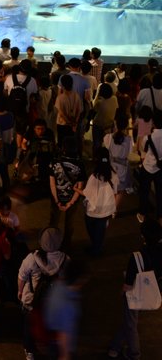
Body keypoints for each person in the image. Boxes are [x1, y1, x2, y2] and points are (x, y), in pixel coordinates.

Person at [108, 219, 162, 360]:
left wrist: (121, 292)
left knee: (131, 324)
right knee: (128, 322)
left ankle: (134, 354)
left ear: (143, 236)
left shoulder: (137, 256)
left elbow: (128, 285)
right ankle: (114, 348)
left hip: (137, 295)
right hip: (154, 293)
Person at [18, 227, 68, 360]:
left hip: (31, 300)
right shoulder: (65, 260)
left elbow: (22, 277)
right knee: (49, 327)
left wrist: (20, 291)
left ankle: (30, 351)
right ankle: (51, 348)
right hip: (53, 303)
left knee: (29, 326)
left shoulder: (32, 258)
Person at [76, 147, 116, 256]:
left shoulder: (94, 176)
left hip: (93, 210)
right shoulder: (113, 174)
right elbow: (116, 190)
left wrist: (75, 189)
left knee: (92, 230)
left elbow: (87, 193)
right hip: (106, 209)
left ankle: (95, 248)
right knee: (100, 231)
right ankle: (97, 248)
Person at [44, 259, 86, 360]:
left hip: (52, 340)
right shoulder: (67, 306)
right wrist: (65, 355)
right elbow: (63, 335)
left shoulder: (57, 285)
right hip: (61, 346)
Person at [49, 136, 86, 252]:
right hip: (72, 200)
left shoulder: (55, 162)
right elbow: (80, 187)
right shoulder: (80, 165)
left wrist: (57, 201)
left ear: (63, 148)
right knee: (69, 224)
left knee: (53, 222)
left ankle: (51, 244)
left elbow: (52, 184)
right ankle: (66, 246)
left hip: (57, 198)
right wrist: (70, 203)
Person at [136, 111, 162, 225]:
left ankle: (142, 214)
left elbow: (144, 150)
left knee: (144, 191)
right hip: (160, 168)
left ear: (154, 123)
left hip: (148, 167)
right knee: (160, 193)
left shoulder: (149, 137)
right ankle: (160, 216)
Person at [104, 115, 133, 210]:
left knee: (112, 189)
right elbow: (129, 154)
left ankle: (110, 207)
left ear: (115, 124)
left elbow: (105, 152)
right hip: (122, 169)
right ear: (126, 126)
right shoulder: (129, 139)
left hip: (111, 167)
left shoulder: (108, 137)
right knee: (120, 191)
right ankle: (114, 211)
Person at [55, 73, 83, 151]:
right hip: (73, 124)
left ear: (62, 86)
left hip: (62, 124)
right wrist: (75, 123)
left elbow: (61, 113)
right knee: (70, 143)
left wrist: (68, 122)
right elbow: (79, 111)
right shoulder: (77, 96)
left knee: (61, 142)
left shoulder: (60, 98)